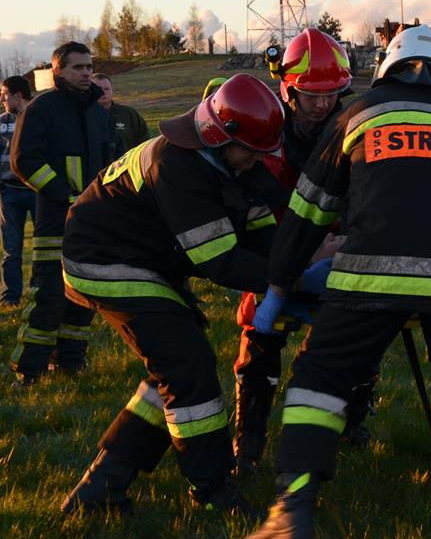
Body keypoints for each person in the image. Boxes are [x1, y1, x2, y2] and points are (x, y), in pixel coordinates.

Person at [245, 26, 431, 538]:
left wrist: (277, 285)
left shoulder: (359, 114)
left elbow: (308, 212)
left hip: (372, 272)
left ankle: (292, 510)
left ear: (386, 67)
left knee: (320, 377)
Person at [59, 74, 305, 515]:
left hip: (146, 259)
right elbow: (220, 261)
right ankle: (212, 489)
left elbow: (261, 232)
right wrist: (295, 276)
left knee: (176, 366)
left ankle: (101, 488)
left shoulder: (235, 161)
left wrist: (292, 262)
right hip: (102, 259)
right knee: (188, 364)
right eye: (251, 152)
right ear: (219, 136)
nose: (257, 161)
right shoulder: (177, 165)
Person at [231, 27, 354, 474]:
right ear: (288, 89)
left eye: (331, 94)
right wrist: (293, 255)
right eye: (312, 95)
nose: (322, 104)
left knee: (355, 338)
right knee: (258, 340)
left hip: (339, 249)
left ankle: (353, 423)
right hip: (274, 247)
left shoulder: (352, 126)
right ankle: (248, 442)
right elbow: (253, 199)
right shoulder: (266, 129)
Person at [9, 42, 117, 383]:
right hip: (56, 219)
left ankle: (70, 361)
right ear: (58, 71)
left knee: (83, 295)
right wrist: (64, 194)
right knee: (49, 295)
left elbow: (108, 164)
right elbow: (24, 160)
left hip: (92, 221)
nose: (86, 73)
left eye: (89, 66)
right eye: (78, 67)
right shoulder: (42, 109)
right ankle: (29, 369)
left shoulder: (98, 113)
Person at [0, 76, 36, 306]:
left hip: (38, 191)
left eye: (4, 94)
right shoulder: (1, 122)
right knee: (11, 249)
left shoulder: (39, 118)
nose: (2, 99)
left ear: (18, 95)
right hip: (9, 193)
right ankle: (10, 297)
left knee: (45, 247)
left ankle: (42, 292)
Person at [92, 73, 150, 152]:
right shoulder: (83, 116)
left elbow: (145, 144)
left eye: (107, 89)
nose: (103, 92)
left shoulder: (129, 114)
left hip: (126, 160)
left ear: (112, 91)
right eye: (98, 89)